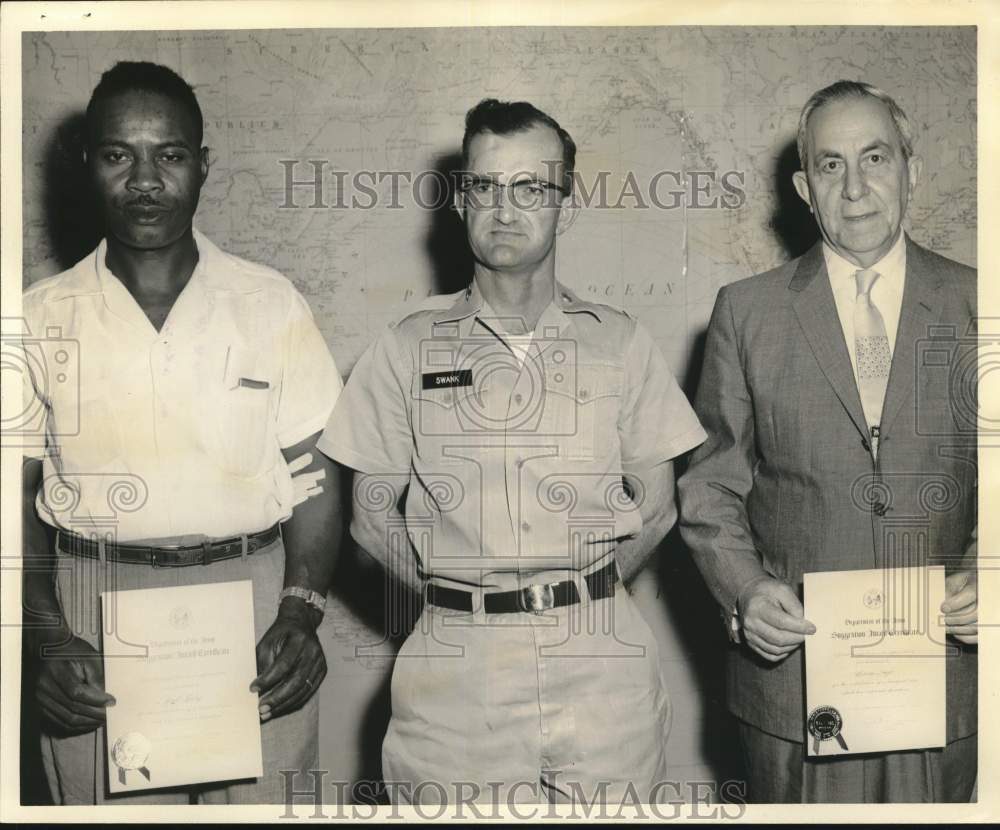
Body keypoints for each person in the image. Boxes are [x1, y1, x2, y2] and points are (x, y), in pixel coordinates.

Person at [318, 98, 706, 805]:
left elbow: (657, 508)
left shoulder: (619, 342)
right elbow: (370, 520)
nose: (505, 209)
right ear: (460, 202)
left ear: (566, 204)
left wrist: (574, 596)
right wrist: (460, 599)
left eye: (530, 188)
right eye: (484, 187)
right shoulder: (406, 347)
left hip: (602, 666)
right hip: (456, 675)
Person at [19, 61, 343, 805]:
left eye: (168, 154)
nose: (144, 180)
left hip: (255, 611)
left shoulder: (271, 304)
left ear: (202, 166)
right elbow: (14, 499)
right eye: (117, 155)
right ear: (86, 165)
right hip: (91, 620)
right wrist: (46, 636)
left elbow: (317, 476)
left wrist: (300, 609)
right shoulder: (39, 319)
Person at [677, 80, 978, 803]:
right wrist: (744, 591)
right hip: (795, 686)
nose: (856, 187)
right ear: (804, 188)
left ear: (911, 167)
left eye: (875, 157)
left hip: (950, 678)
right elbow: (708, 485)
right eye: (831, 165)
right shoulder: (746, 313)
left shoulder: (984, 301)